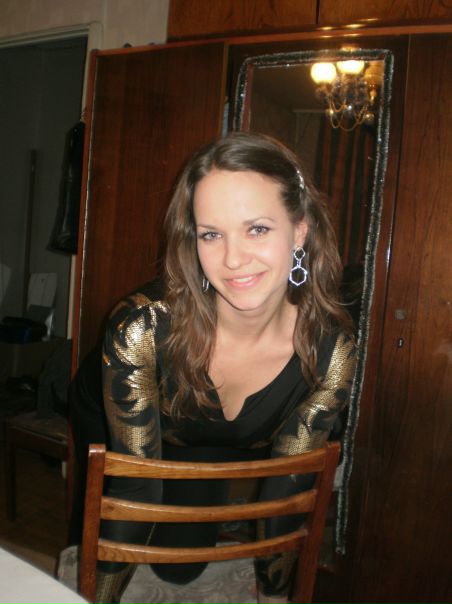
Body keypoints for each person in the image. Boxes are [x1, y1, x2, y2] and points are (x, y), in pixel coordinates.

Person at [95, 132, 356, 603]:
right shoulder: (140, 330)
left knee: (180, 570)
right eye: (211, 235)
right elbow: (134, 483)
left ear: (299, 231)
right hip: (129, 424)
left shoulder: (330, 353)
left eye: (257, 229)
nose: (233, 260)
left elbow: (287, 489)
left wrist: (273, 595)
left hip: (218, 441)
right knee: (128, 545)